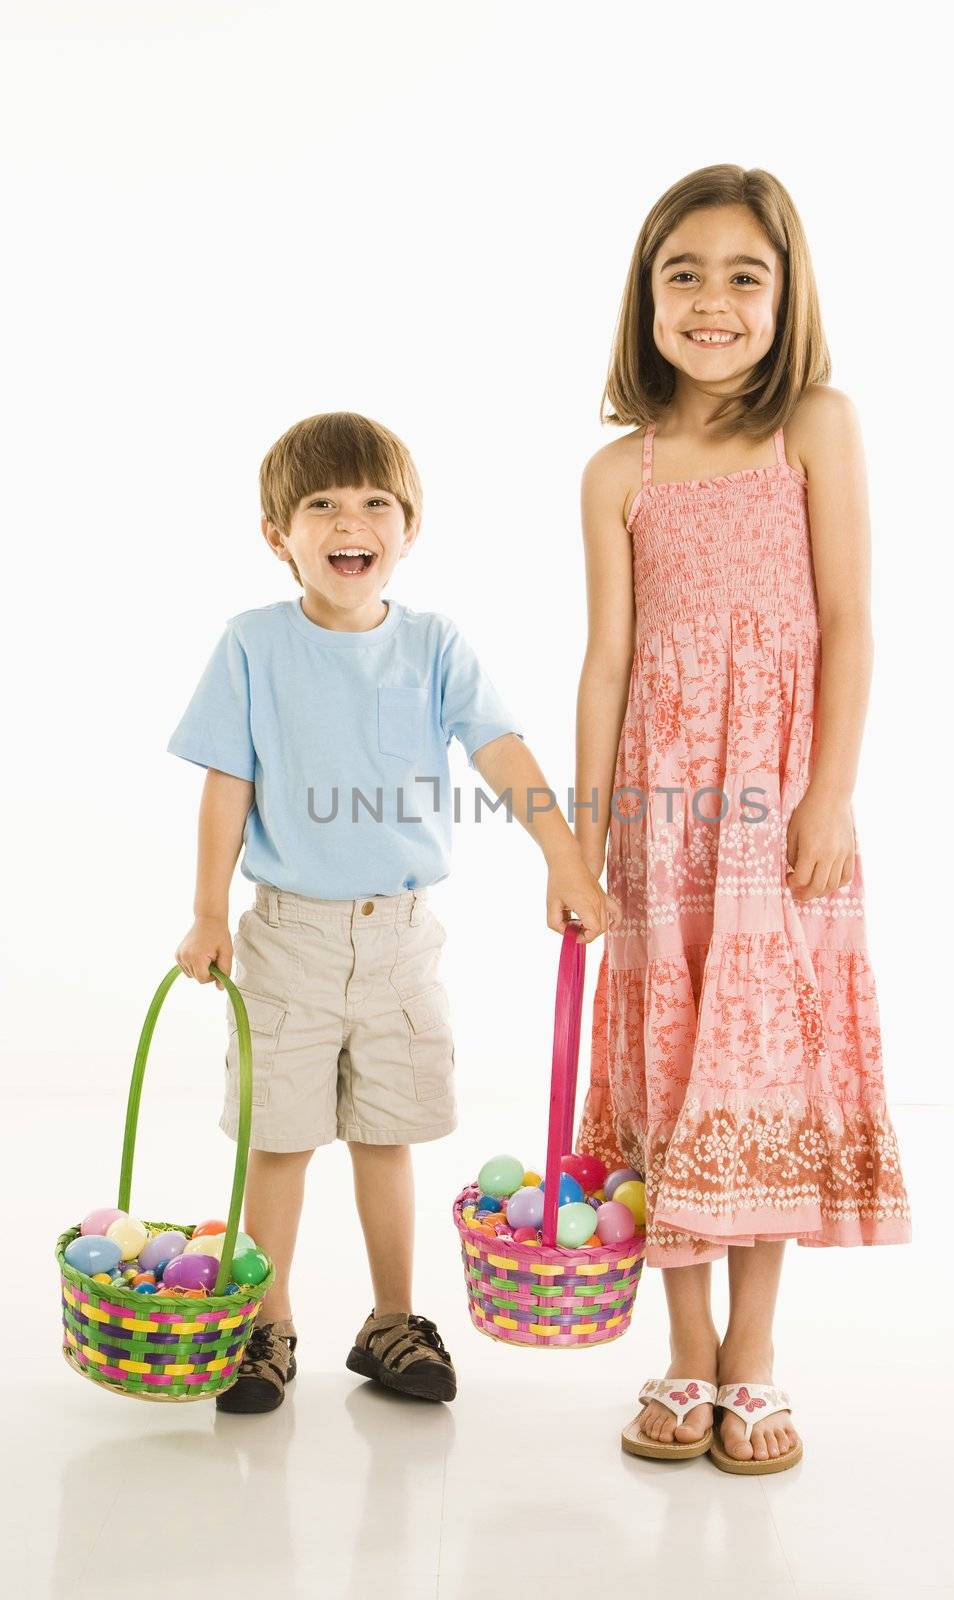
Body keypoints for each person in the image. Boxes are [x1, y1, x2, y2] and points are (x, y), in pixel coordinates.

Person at [572, 166, 911, 1473]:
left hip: (775, 801)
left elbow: (846, 621)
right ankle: (684, 1351)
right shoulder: (618, 469)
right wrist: (583, 839)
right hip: (660, 815)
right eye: (682, 274)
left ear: (784, 296)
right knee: (670, 1065)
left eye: (741, 275)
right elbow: (607, 659)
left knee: (760, 1068)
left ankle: (753, 1361)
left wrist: (827, 792)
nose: (709, 300)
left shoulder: (810, 427)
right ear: (644, 296)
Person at [168, 410, 607, 1413]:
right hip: (288, 937)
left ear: (409, 528)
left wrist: (565, 854)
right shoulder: (253, 645)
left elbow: (498, 751)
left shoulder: (433, 643)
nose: (347, 521)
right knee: (277, 1137)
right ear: (278, 536)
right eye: (318, 506)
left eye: (373, 503)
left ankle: (390, 1319)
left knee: (386, 1131)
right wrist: (207, 912)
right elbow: (226, 786)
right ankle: (262, 1322)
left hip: (401, 939)